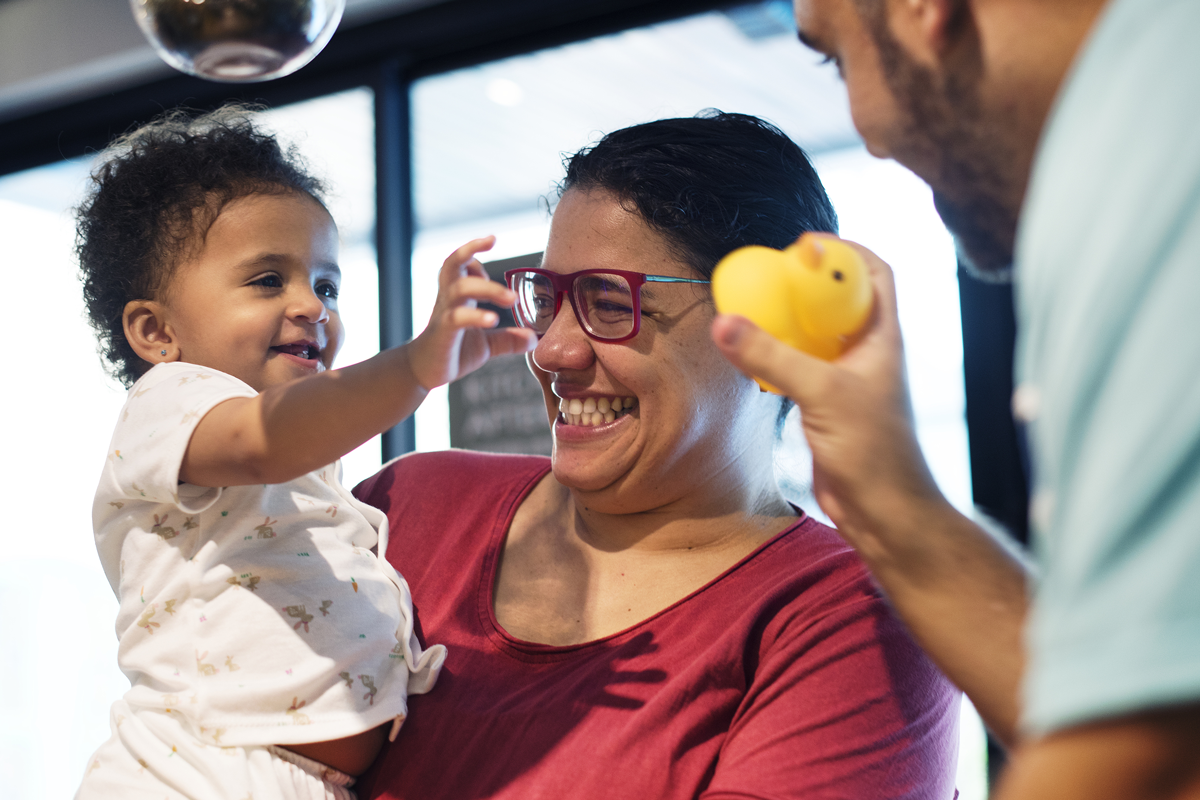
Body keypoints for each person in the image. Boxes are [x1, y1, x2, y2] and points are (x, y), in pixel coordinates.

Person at [352, 111, 961, 800]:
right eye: (547, 300)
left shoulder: (851, 625)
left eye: (608, 303)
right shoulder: (407, 506)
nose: (552, 350)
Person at [712, 0, 1200, 797]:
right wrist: (891, 505)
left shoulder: (1157, 133)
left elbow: (1153, 765)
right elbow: (1134, 686)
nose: (868, 131)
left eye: (835, 59)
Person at [73, 106, 535, 800]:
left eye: (326, 285)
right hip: (193, 772)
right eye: (268, 281)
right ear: (154, 331)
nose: (313, 306)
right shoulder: (169, 403)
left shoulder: (309, 461)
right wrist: (413, 365)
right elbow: (267, 440)